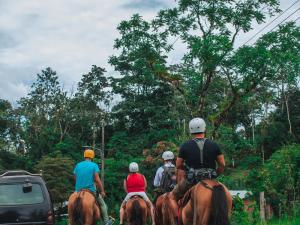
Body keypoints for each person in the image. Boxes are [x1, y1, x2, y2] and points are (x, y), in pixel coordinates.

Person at [173, 117, 226, 200]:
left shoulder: (185, 145)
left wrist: (187, 169)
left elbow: (178, 164)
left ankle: (177, 213)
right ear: (204, 128)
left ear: (190, 130)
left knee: (172, 196)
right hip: (210, 178)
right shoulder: (214, 145)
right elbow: (222, 164)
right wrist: (215, 174)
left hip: (191, 180)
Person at [73, 149, 113, 225]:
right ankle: (106, 222)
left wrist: (79, 185)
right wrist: (102, 191)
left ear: (84, 156)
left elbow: (75, 178)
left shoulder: (78, 165)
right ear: (92, 157)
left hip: (78, 190)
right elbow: (97, 180)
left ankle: (70, 221)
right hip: (90, 190)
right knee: (103, 204)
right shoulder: (94, 165)